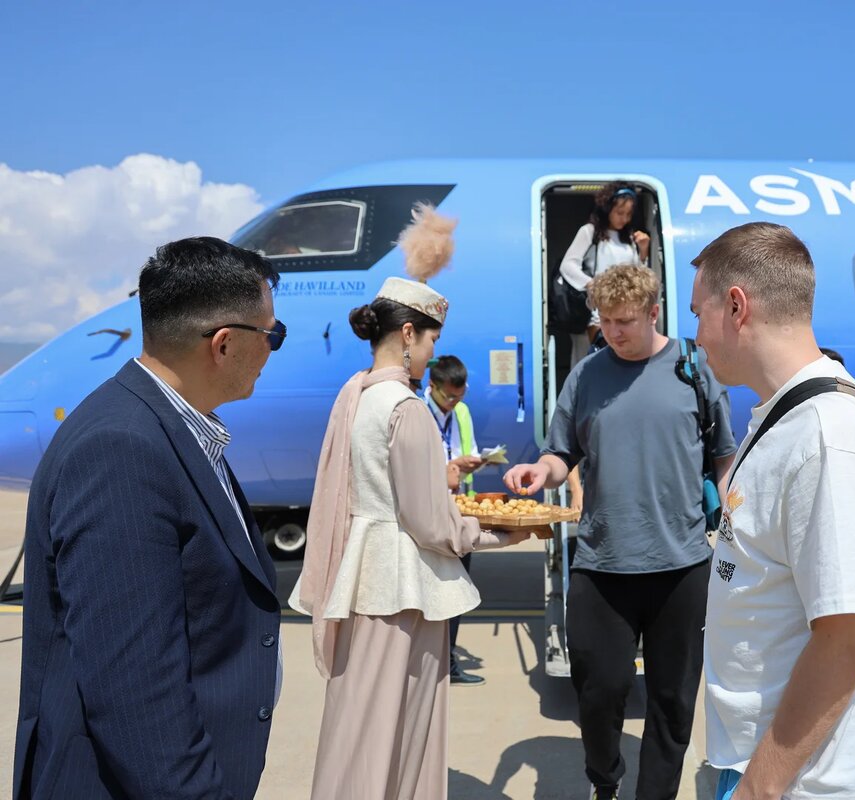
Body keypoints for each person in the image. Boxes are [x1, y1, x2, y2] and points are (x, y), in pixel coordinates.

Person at [15, 237, 285, 799]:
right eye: (272, 335)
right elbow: (133, 689)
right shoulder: (122, 448)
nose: (273, 349)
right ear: (225, 344)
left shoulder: (171, 428)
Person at [290, 204, 528, 800]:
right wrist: (495, 535)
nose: (430, 354)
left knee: (358, 730)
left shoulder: (356, 397)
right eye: (430, 340)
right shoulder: (408, 409)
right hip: (403, 588)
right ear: (406, 335)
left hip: (362, 576)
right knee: (403, 734)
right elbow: (430, 522)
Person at [505, 264, 736, 800]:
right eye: (605, 321)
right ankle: (604, 779)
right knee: (599, 689)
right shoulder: (587, 374)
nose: (613, 332)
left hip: (680, 566)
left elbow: (723, 457)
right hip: (603, 563)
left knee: (672, 702)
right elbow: (562, 453)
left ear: (654, 312)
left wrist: (735, 521)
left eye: (625, 321)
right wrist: (542, 472)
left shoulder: (692, 367)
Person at [690, 222, 855, 800]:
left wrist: (757, 788)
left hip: (801, 783)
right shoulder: (786, 417)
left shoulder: (826, 436)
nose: (697, 337)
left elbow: (848, 638)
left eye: (698, 315)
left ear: (736, 306)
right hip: (765, 765)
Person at [424, 354, 487, 686]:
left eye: (459, 396)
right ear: (431, 386)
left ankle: (447, 663)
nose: (453, 403)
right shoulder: (416, 412)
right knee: (429, 593)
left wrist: (470, 463)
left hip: (459, 512)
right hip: (428, 515)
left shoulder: (460, 411)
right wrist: (445, 470)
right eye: (448, 396)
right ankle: (428, 662)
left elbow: (469, 448)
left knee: (458, 591)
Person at [558, 181, 651, 366]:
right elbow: (567, 265)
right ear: (607, 208)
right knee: (592, 365)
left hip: (626, 312)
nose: (624, 219)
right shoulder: (590, 232)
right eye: (619, 213)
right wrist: (593, 284)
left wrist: (643, 251)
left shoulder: (630, 238)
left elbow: (640, 276)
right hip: (596, 313)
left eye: (628, 214)